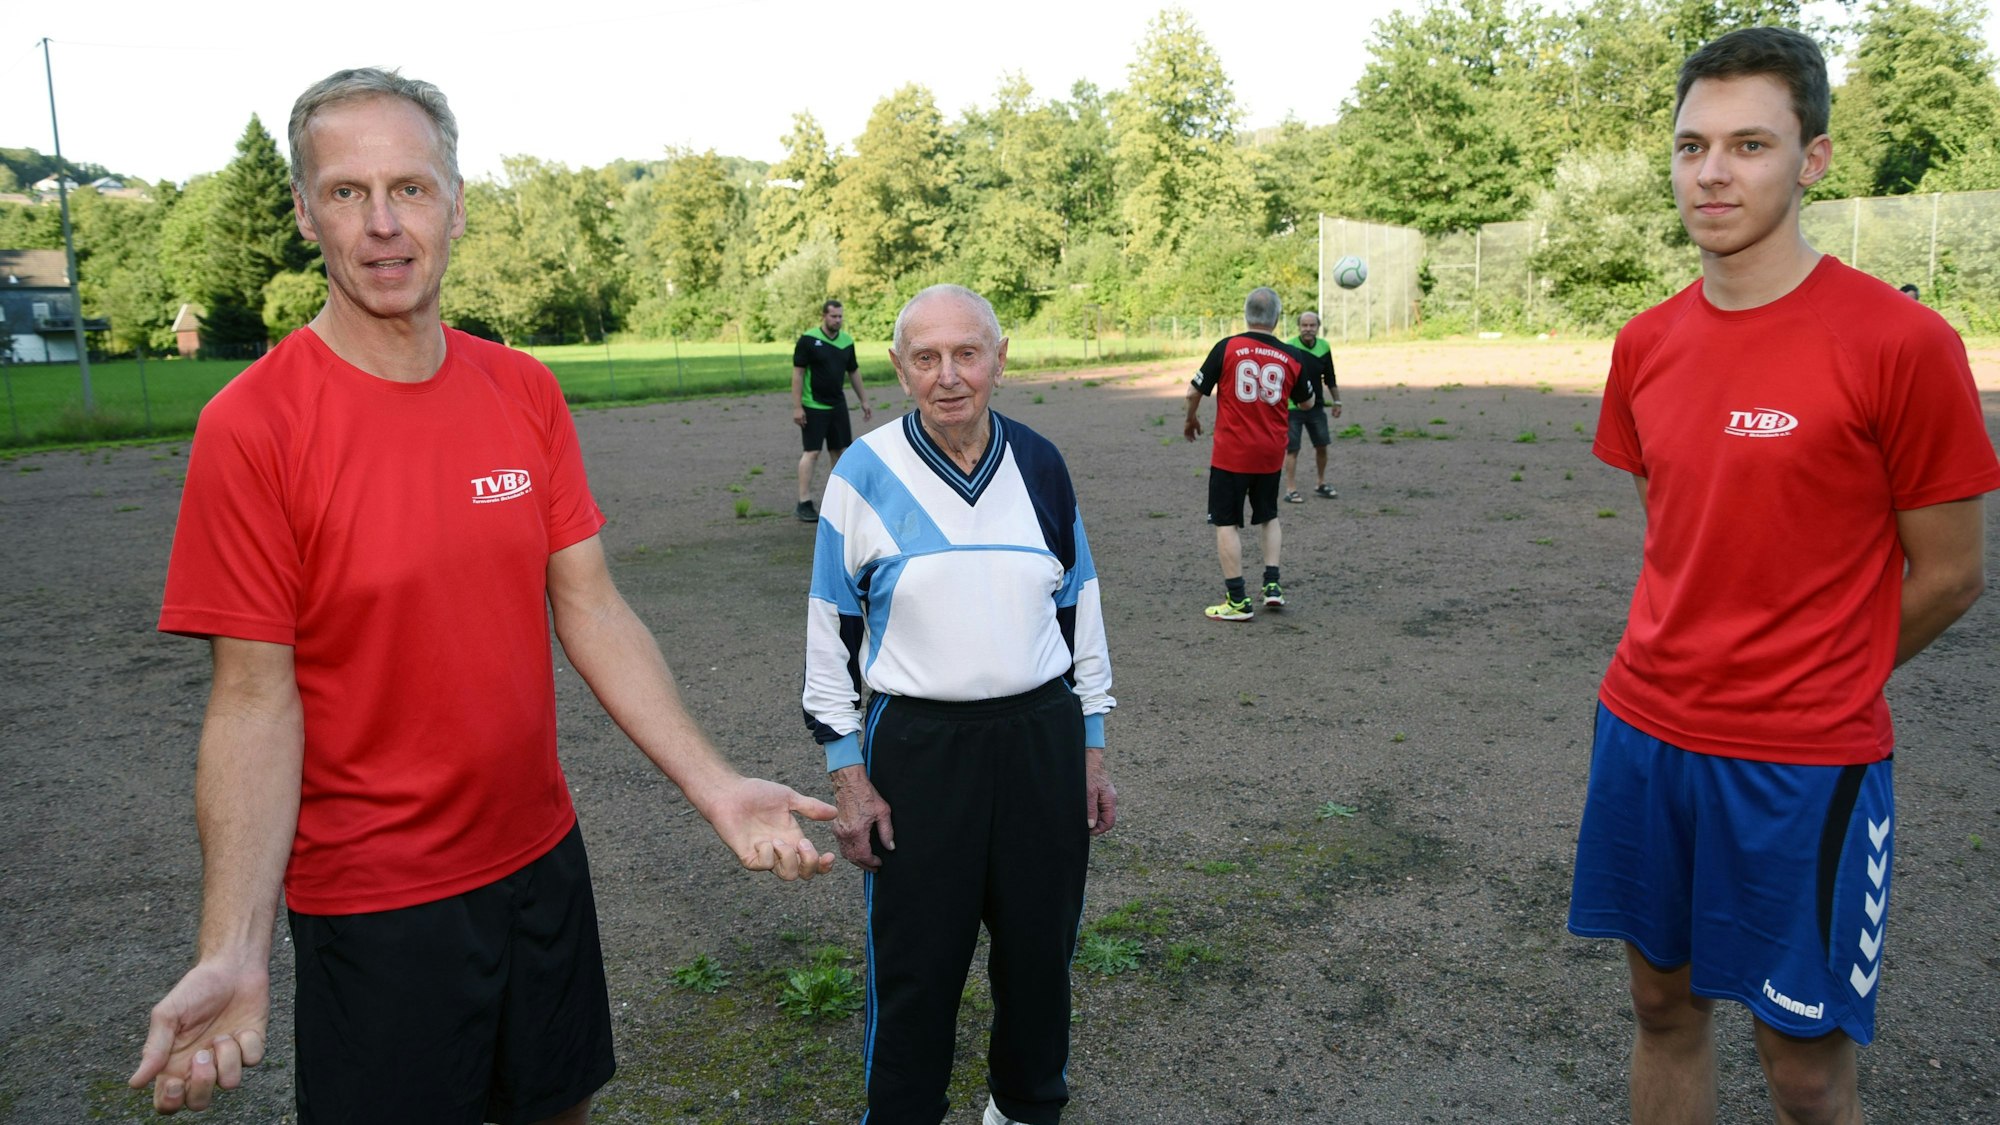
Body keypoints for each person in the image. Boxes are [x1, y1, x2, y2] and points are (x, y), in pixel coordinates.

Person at [130, 68, 836, 1124]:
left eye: (409, 188)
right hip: (376, 907)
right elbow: (249, 702)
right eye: (345, 192)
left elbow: (590, 607)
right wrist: (230, 948)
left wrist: (716, 784)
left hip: (539, 861)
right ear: (302, 210)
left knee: (559, 1109)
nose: (381, 225)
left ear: (455, 202)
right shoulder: (255, 427)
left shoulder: (522, 390)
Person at [1566, 28, 1998, 1125]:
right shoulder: (1645, 342)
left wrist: (1820, 677)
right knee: (1661, 1011)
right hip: (1643, 732)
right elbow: (1676, 535)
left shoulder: (1900, 343)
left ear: (1809, 160)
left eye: (1749, 143)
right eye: (1689, 145)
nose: (1711, 171)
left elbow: (1949, 576)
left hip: (1800, 763)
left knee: (1802, 1071)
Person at [802, 284, 1118, 1125]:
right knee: (918, 967)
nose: (950, 376)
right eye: (927, 357)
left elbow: (1078, 604)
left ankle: (1022, 1107)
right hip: (918, 746)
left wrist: (1089, 745)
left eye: (967, 353)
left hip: (1040, 736)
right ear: (900, 370)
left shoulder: (1043, 464)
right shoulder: (861, 474)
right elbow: (827, 637)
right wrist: (847, 776)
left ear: (1000, 361)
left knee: (1039, 955)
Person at [1183, 286, 1315, 621]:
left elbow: (1193, 391)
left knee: (1227, 522)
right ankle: (1272, 586)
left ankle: (1238, 600)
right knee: (1269, 515)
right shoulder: (1292, 357)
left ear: (1246, 315)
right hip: (1271, 452)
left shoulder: (1227, 347)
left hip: (1232, 453)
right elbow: (1308, 403)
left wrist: (1191, 418)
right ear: (1277, 319)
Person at [792, 299, 872, 522]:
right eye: (833, 316)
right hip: (814, 405)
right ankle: (804, 502)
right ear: (824, 316)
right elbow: (797, 374)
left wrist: (864, 400)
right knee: (812, 452)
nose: (837, 320)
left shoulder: (847, 342)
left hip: (838, 405)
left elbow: (853, 372)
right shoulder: (808, 340)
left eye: (840, 316)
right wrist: (797, 407)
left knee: (840, 452)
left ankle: (837, 502)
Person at [1281, 310, 1343, 503]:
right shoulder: (1289, 347)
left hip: (1316, 406)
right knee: (1293, 448)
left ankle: (1321, 483)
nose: (1308, 329)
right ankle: (1291, 489)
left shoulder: (1324, 347)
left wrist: (1337, 401)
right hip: (1293, 407)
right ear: (1299, 327)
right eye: (1304, 325)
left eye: (1312, 325)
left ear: (1318, 327)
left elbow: (1330, 377)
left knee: (1322, 445)